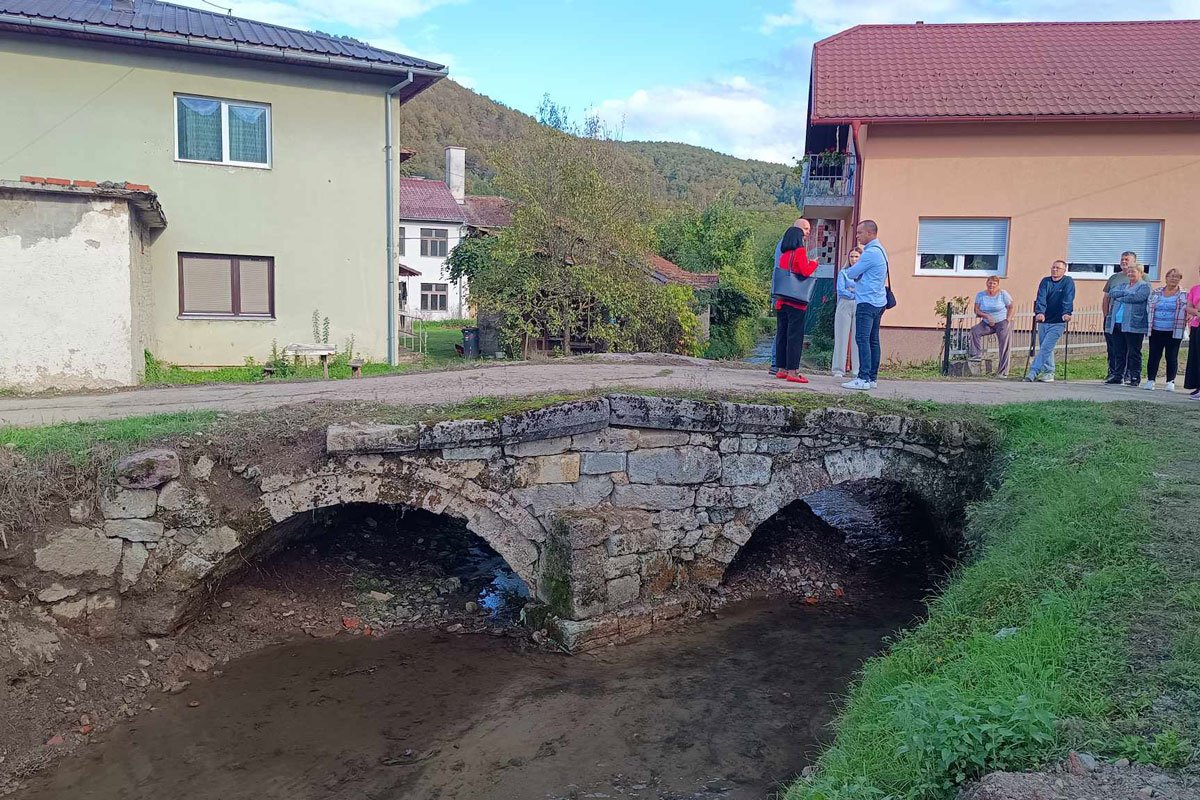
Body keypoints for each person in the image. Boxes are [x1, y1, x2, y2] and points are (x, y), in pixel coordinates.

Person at [841, 219, 887, 391]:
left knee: (862, 338)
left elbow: (852, 272)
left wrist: (854, 273)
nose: (858, 236)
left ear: (870, 232)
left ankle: (863, 378)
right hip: (878, 301)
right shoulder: (881, 250)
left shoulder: (870, 253)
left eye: (860, 232)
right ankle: (872, 378)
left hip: (866, 301)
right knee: (873, 340)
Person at [770, 219, 818, 384]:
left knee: (782, 335)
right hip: (796, 302)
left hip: (782, 301)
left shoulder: (784, 254)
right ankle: (793, 371)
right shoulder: (799, 252)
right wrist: (814, 263)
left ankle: (781, 369)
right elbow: (804, 271)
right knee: (795, 336)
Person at [1025, 260, 1075, 382]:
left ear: (1064, 270)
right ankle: (1049, 372)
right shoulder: (1045, 281)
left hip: (1058, 322)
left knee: (1046, 347)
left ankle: (1033, 372)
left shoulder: (1068, 282)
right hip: (1045, 320)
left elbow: (1068, 297)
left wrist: (1066, 312)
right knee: (1045, 347)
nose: (1055, 269)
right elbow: (1041, 297)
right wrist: (1040, 312)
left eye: (1058, 268)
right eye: (1053, 267)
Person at [1142, 268, 1188, 391]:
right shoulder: (1156, 292)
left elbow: (1187, 310)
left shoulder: (1184, 294)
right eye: (1171, 276)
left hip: (1173, 330)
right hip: (1156, 329)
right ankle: (1151, 381)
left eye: (1177, 277)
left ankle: (1170, 382)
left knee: (1171, 356)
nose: (1173, 278)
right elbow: (1148, 307)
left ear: (1180, 279)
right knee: (1154, 355)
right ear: (1166, 278)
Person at [1106, 261, 1151, 386]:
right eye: (1129, 271)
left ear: (1140, 273)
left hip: (1133, 324)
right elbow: (1112, 293)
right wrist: (1127, 293)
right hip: (1117, 323)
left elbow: (1137, 298)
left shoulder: (1144, 286)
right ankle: (1117, 375)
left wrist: (1122, 296)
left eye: (1133, 271)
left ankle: (1134, 377)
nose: (1130, 274)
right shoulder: (1123, 285)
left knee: (1134, 352)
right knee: (1118, 351)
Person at [967, 276, 1013, 378]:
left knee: (1004, 345)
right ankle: (976, 355)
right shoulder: (981, 295)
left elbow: (1011, 306)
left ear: (997, 285)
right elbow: (977, 310)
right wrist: (987, 316)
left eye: (994, 283)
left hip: (1001, 322)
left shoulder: (1003, 294)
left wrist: (1007, 320)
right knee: (975, 330)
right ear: (986, 283)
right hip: (987, 322)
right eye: (989, 283)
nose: (991, 285)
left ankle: (1003, 371)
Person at [1102, 251, 1136, 382]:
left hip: (1129, 320)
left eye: (1127, 259)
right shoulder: (1114, 278)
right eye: (1122, 259)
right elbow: (1106, 298)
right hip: (1113, 319)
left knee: (1129, 348)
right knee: (1113, 348)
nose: (1123, 261)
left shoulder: (1141, 277)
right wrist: (1106, 316)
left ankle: (1128, 374)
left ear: (1134, 262)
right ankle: (1113, 372)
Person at [832, 246, 862, 378]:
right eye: (852, 256)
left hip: (859, 304)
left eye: (856, 256)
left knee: (858, 338)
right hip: (844, 304)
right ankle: (838, 369)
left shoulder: (863, 273)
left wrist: (851, 290)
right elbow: (841, 290)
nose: (854, 259)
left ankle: (857, 370)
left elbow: (863, 289)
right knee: (841, 337)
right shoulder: (843, 272)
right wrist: (852, 292)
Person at [1186, 265, 1200, 400]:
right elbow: (1189, 307)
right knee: (1196, 357)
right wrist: (1197, 312)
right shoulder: (1195, 289)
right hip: (1196, 325)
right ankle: (1198, 386)